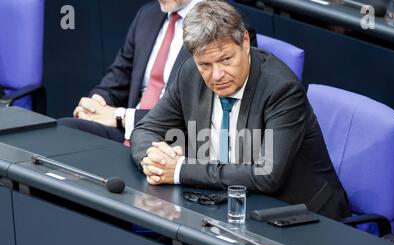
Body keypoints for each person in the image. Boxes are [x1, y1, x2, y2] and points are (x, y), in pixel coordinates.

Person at [131, 0, 350, 221]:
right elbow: (145, 129)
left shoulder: (281, 89)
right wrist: (154, 159)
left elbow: (267, 175)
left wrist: (179, 170)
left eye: (226, 60)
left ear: (245, 42)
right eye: (205, 65)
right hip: (227, 204)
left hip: (300, 215)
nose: (217, 75)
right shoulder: (189, 74)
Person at [58, 0, 257, 144]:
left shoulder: (225, 26)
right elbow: (118, 77)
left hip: (174, 142)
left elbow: (198, 116)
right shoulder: (147, 14)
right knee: (65, 131)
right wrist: (96, 104)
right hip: (126, 131)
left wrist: (121, 116)